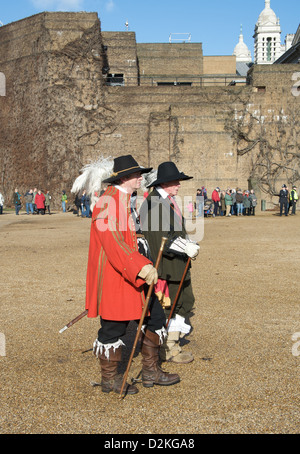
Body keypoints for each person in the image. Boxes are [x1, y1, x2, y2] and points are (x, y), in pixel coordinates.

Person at [85, 154, 180, 395]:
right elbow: (113, 243)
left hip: (138, 271)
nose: (141, 178)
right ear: (126, 178)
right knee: (112, 327)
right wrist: (140, 266)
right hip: (118, 276)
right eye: (137, 175)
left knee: (156, 317)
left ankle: (150, 371)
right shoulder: (108, 202)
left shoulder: (127, 199)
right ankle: (110, 379)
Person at [140, 161, 199, 364]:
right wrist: (185, 247)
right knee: (168, 307)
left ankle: (172, 345)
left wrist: (187, 243)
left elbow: (174, 231)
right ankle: (166, 349)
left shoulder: (166, 200)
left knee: (183, 303)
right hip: (166, 267)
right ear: (165, 183)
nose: (179, 185)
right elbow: (160, 240)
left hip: (177, 264)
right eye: (176, 181)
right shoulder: (153, 203)